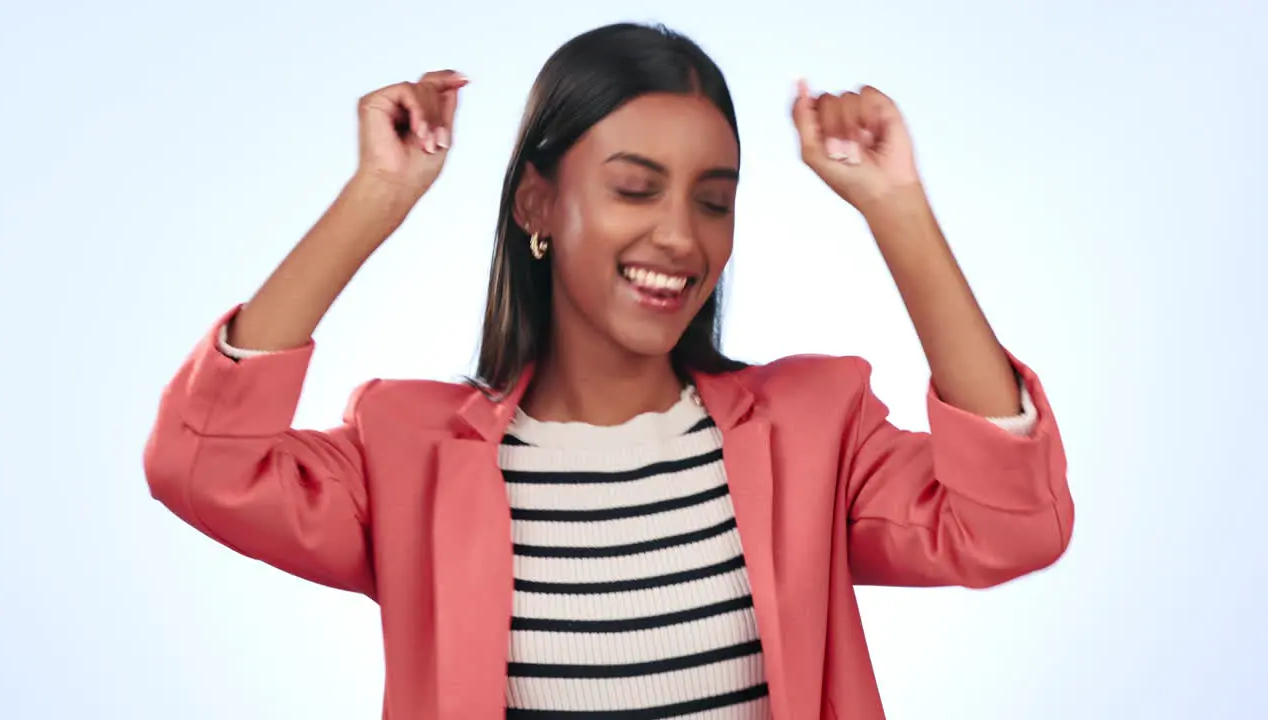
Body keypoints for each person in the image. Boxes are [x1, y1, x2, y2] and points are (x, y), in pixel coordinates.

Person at [144, 22, 1073, 720]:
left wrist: (896, 209)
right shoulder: (411, 453)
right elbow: (200, 466)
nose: (679, 235)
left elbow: (1009, 527)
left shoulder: (812, 429)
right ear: (537, 201)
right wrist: (374, 199)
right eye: (635, 188)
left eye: (714, 202)